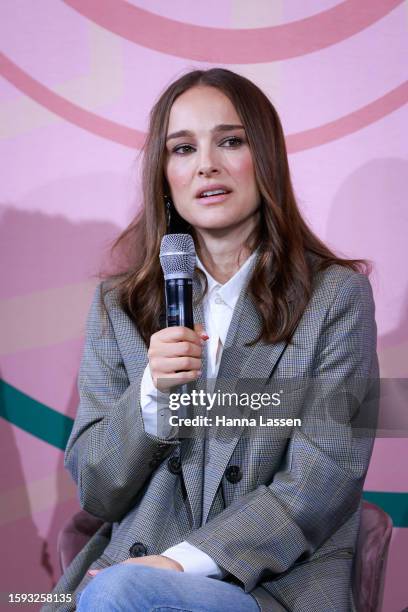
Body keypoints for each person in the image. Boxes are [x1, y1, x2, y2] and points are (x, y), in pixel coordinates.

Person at [47, 68, 378, 612]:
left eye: (230, 141)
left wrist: (182, 561)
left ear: (264, 157)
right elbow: (97, 490)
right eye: (182, 148)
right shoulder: (119, 307)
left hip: (269, 588)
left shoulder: (335, 298)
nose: (206, 164)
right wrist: (151, 396)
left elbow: (323, 480)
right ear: (164, 174)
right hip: (129, 573)